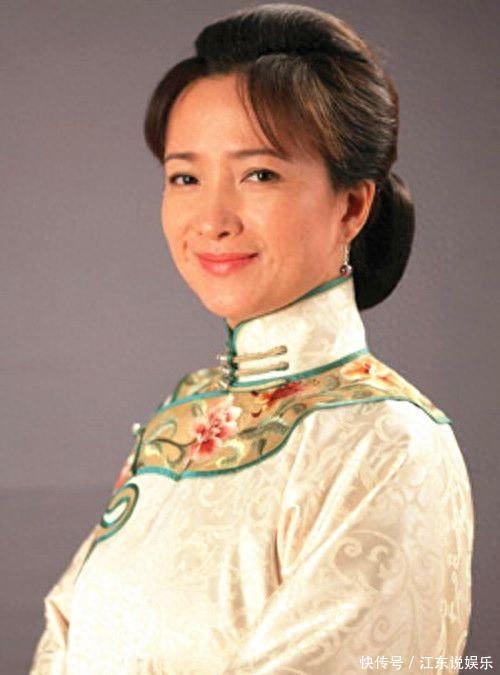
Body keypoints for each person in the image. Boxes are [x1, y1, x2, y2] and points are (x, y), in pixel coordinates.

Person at [30, 4, 474, 673]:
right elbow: (67, 629)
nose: (211, 218)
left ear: (352, 205)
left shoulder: (389, 444)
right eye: (185, 177)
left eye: (259, 174)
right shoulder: (186, 412)